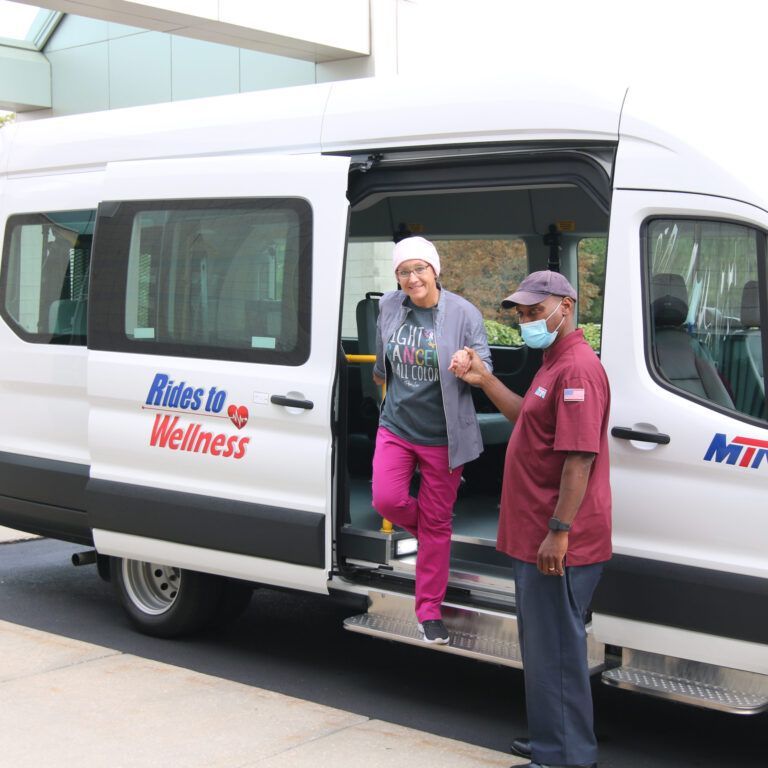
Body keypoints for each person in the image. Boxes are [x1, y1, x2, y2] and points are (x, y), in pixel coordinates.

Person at [451, 270, 611, 768]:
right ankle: (549, 739)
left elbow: (579, 458)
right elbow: (529, 417)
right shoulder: (553, 362)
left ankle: (565, 756)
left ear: (565, 306)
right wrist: (485, 380)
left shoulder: (578, 369)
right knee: (542, 647)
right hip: (536, 533)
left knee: (558, 653)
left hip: (558, 538)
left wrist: (558, 532)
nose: (526, 320)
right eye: (520, 314)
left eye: (535, 311)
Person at [371, 235, 492, 645]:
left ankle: (428, 612)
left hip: (445, 438)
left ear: (435, 270)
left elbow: (485, 365)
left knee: (438, 525)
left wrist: (469, 363)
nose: (412, 277)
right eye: (404, 271)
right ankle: (432, 534)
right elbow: (379, 361)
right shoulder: (389, 305)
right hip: (397, 427)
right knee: (386, 500)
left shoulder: (464, 313)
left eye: (419, 268)